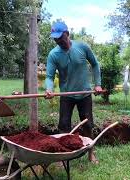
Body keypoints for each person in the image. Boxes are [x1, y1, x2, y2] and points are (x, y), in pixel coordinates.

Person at [45, 21, 103, 164]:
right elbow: (49, 76)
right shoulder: (53, 54)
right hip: (66, 96)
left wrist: (98, 85)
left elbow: (95, 64)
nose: (58, 40)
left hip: (84, 94)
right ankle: (62, 158)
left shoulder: (82, 47)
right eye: (55, 38)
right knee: (64, 126)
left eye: (60, 37)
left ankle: (91, 153)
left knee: (88, 125)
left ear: (67, 34)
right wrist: (49, 89)